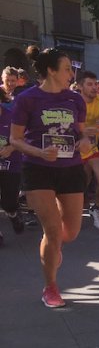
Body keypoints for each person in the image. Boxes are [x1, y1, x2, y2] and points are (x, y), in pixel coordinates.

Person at [9, 47, 91, 307]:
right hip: (38, 168)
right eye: (67, 68)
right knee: (53, 231)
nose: (71, 73)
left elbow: (82, 134)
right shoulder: (27, 99)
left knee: (71, 232)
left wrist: (86, 142)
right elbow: (15, 139)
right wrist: (39, 152)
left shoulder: (75, 100)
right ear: (51, 71)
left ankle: (54, 248)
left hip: (71, 169)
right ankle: (51, 287)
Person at [77, 70, 99, 230]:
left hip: (95, 147)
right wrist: (84, 130)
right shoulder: (74, 102)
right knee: (82, 181)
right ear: (80, 86)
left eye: (96, 84)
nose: (94, 87)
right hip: (76, 148)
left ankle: (96, 208)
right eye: (89, 84)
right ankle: (76, 210)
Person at [0, 88, 24, 244]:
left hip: (11, 164)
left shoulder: (11, 117)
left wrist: (11, 148)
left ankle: (14, 214)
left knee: (9, 203)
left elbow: (24, 138)